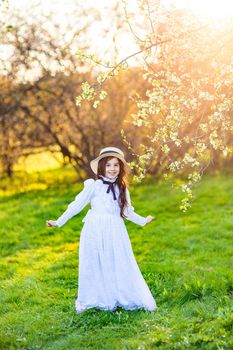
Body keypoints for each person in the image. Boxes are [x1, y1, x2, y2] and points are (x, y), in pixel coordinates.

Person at [46, 146, 157, 314]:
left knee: (117, 260)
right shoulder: (93, 186)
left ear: (120, 168)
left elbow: (127, 211)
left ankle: (118, 294)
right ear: (101, 167)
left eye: (116, 165)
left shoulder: (122, 188)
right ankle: (98, 297)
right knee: (95, 261)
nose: (112, 169)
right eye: (108, 165)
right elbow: (76, 205)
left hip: (115, 229)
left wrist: (143, 221)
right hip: (95, 229)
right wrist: (59, 221)